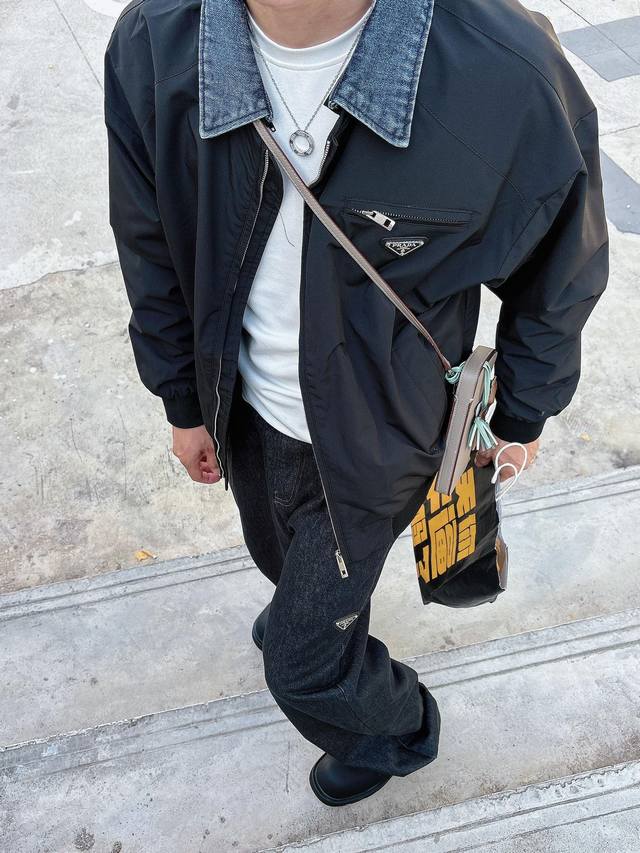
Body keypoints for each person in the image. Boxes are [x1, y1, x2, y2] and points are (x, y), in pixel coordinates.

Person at [104, 0, 609, 806]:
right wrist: (182, 402)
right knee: (279, 558)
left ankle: (398, 731)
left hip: (389, 432)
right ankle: (317, 615)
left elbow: (560, 267)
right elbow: (150, 244)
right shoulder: (155, 44)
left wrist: (521, 414)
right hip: (243, 407)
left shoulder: (505, 68)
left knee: (301, 663)